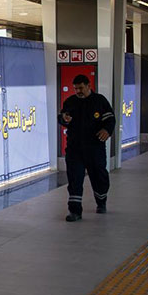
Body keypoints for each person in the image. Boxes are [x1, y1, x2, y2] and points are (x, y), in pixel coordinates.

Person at [58, 74, 115, 222]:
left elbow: (110, 119)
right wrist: (64, 119)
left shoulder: (100, 101)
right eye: (76, 88)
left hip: (95, 148)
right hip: (74, 149)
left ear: (89, 86)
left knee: (99, 176)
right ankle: (75, 211)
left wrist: (107, 130)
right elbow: (62, 117)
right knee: (74, 179)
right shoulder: (70, 102)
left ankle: (101, 201)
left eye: (81, 88)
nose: (78, 91)